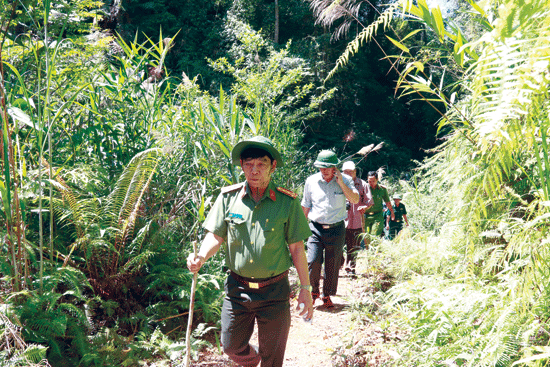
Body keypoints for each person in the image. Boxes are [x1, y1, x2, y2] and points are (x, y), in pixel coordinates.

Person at [187, 136, 313, 367]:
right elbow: (215, 235)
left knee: (273, 357)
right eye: (248, 164)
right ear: (242, 166)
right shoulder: (228, 198)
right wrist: (201, 256)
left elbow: (296, 247)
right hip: (238, 290)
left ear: (273, 166)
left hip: (274, 291)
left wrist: (305, 288)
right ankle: (253, 358)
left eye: (261, 164)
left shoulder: (287, 202)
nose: (254, 170)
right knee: (231, 347)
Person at [301, 150, 359, 308]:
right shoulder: (311, 181)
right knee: (312, 261)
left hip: (336, 228)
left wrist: (341, 182)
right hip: (315, 228)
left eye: (328, 167)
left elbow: (354, 199)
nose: (324, 170)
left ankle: (327, 295)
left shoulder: (346, 179)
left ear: (335, 167)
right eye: (321, 167)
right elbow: (305, 204)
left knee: (332, 264)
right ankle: (314, 292)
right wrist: (298, 229)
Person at [341, 161, 373, 275]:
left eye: (351, 171)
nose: (348, 174)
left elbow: (369, 201)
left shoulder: (363, 184)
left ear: (355, 171)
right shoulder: (338, 183)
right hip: (340, 220)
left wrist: (364, 207)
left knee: (354, 245)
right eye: (346, 172)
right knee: (337, 244)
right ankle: (340, 261)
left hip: (357, 221)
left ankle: (351, 267)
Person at [364, 171, 394, 246]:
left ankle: (374, 251)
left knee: (375, 234)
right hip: (365, 216)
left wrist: (392, 212)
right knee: (366, 236)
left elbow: (387, 202)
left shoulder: (382, 189)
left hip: (377, 215)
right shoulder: (364, 189)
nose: (371, 183)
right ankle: (368, 252)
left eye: (373, 181)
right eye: (369, 181)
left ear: (377, 180)